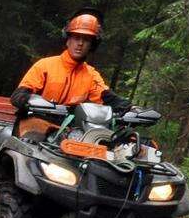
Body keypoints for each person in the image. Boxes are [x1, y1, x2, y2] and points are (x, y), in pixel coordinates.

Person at [10, 9, 131, 137]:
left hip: (68, 130)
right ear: (68, 40)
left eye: (86, 39)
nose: (80, 43)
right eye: (76, 38)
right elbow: (19, 96)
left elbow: (109, 98)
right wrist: (37, 102)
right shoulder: (45, 65)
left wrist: (132, 109)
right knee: (34, 140)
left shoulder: (91, 75)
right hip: (34, 124)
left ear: (92, 45)